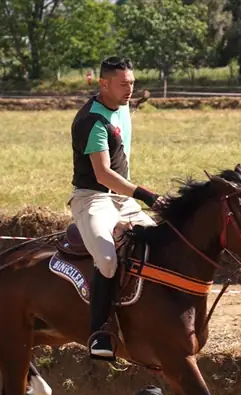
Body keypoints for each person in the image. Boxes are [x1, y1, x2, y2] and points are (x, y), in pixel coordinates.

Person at [69, 56, 160, 361]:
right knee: (107, 259)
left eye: (132, 83)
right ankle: (100, 332)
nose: (130, 89)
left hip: (121, 199)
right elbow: (103, 175)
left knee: (162, 245)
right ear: (103, 83)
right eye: (123, 84)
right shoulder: (92, 121)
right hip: (92, 198)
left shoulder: (121, 107)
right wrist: (148, 196)